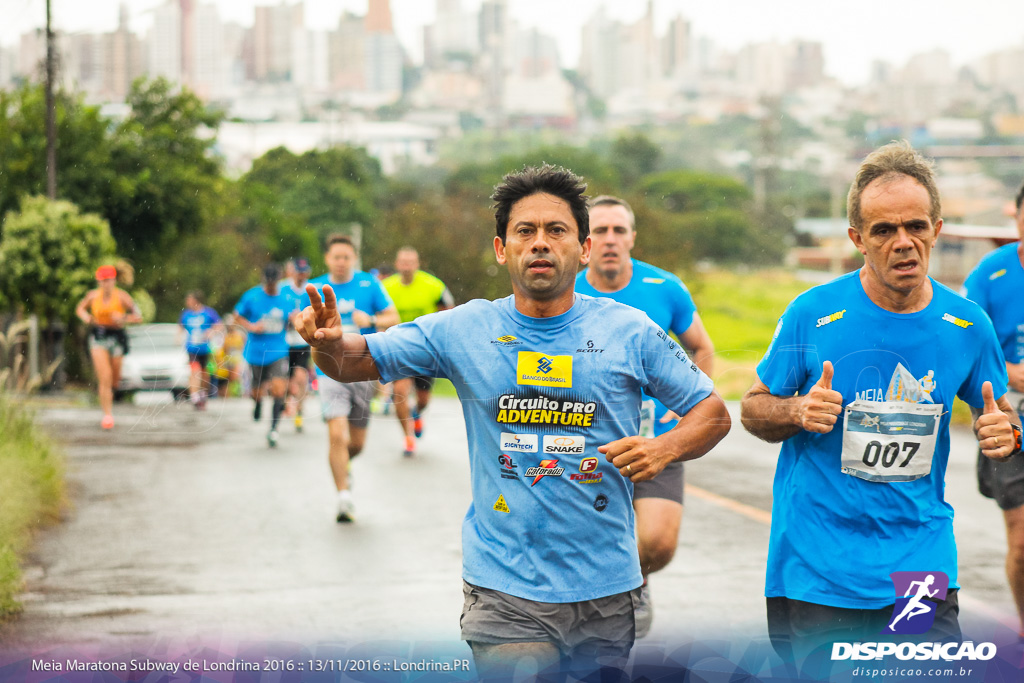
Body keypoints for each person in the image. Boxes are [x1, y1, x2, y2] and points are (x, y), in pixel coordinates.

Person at [294, 165, 731, 678]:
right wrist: (325, 347)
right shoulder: (465, 328)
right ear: (502, 248)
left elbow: (713, 414)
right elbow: (355, 359)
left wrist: (664, 448)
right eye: (525, 231)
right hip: (503, 587)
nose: (540, 243)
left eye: (556, 231)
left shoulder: (630, 331)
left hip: (607, 586)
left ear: (583, 249)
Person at [739, 141, 1022, 667]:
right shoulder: (812, 313)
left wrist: (1008, 434)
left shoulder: (967, 325)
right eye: (884, 230)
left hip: (919, 563)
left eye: (916, 226)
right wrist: (797, 410)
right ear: (857, 240)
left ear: (937, 229)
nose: (904, 243)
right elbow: (753, 407)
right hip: (820, 567)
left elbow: (997, 412)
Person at [575, 195, 716, 639]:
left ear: (632, 237)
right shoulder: (568, 290)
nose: (610, 240)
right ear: (585, 241)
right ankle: (600, 597)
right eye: (600, 231)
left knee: (657, 542)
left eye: (619, 230)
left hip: (656, 440)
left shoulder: (664, 288)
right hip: (584, 444)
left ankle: (633, 582)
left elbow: (703, 347)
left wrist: (688, 404)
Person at [962, 180, 1024, 639]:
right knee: (1022, 543)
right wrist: (1012, 373)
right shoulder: (990, 274)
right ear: (1017, 220)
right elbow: (966, 340)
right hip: (1010, 413)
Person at [303, 235, 399, 522]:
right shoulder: (317, 288)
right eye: (336, 257)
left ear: (354, 258)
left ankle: (345, 467)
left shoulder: (370, 285)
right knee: (336, 434)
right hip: (329, 370)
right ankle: (343, 498)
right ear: (328, 259)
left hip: (363, 369)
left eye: (346, 257)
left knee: (356, 444)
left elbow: (393, 317)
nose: (341, 262)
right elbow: (303, 322)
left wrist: (370, 321)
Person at [381, 247, 455, 456]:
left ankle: (416, 413)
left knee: (423, 399)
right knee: (400, 393)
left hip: (426, 350)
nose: (406, 266)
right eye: (402, 262)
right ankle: (408, 438)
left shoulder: (433, 285)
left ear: (417, 264)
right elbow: (379, 312)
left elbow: (449, 309)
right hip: (399, 349)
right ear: (397, 264)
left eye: (410, 262)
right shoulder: (386, 287)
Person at [233, 263, 299, 448]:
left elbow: (293, 320)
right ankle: (257, 402)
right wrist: (252, 327)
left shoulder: (286, 298)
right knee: (256, 391)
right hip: (255, 352)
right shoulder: (252, 296)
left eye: (274, 283)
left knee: (279, 388)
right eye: (268, 283)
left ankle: (273, 429)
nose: (271, 286)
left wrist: (295, 320)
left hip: (278, 349)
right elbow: (236, 316)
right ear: (264, 281)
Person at [75, 265, 143, 429]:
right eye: (103, 281)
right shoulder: (92, 296)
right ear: (99, 282)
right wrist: (87, 317)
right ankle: (107, 415)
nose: (106, 284)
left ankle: (113, 390)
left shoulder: (122, 297)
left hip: (117, 337)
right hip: (99, 336)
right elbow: (80, 309)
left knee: (114, 378)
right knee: (104, 376)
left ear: (114, 281)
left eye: (109, 280)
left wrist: (123, 317)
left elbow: (138, 316)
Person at [281, 257, 313, 431]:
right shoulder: (282, 289)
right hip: (283, 342)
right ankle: (284, 402)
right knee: (284, 380)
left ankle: (299, 412)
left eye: (304, 271)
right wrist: (288, 317)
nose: (301, 275)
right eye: (298, 271)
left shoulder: (311, 289)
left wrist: (302, 318)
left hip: (302, 341)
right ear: (291, 271)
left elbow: (317, 313)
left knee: (301, 377)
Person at [178, 290, 223, 410]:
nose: (187, 302)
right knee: (194, 370)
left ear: (196, 300)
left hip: (205, 348)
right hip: (192, 348)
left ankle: (202, 394)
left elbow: (219, 325)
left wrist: (212, 331)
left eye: (189, 299)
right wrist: (178, 338)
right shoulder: (186, 314)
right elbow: (180, 327)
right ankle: (194, 396)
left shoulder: (208, 312)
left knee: (204, 373)